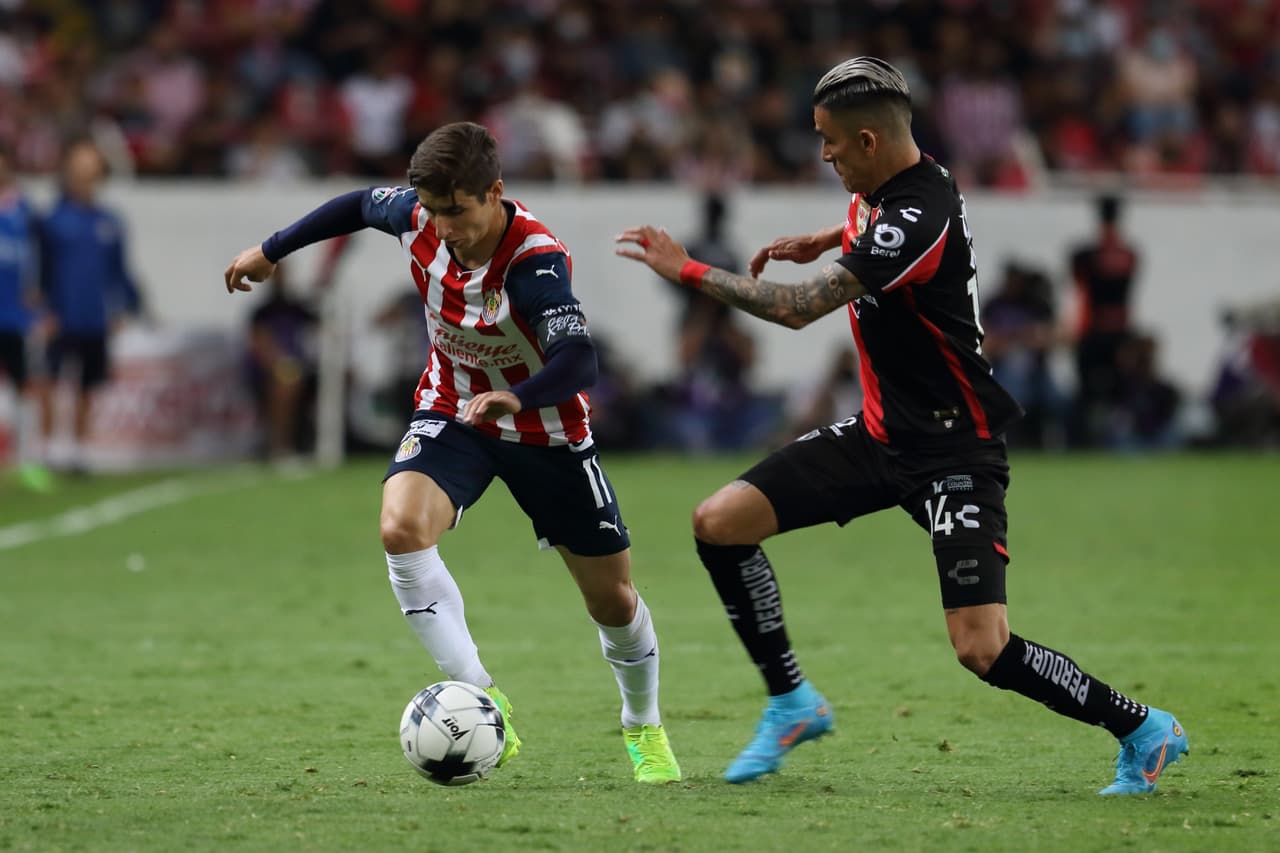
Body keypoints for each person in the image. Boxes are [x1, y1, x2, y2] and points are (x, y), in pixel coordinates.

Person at [616, 57, 1186, 795]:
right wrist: (825, 237)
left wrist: (689, 271)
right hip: (879, 436)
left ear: (867, 143)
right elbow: (881, 224)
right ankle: (792, 700)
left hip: (956, 451)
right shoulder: (905, 182)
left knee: (982, 648)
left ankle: (1142, 727)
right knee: (719, 522)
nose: (822, 155)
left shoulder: (917, 215)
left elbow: (795, 310)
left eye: (828, 141)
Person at [223, 121, 680, 784]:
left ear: (495, 192)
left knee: (612, 599)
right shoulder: (419, 217)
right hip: (452, 410)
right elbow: (355, 205)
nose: (444, 226)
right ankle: (484, 695)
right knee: (399, 526)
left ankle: (644, 726)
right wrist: (271, 250)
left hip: (544, 430)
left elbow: (579, 360)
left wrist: (516, 399)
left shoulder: (535, 261)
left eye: (458, 211)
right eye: (434, 211)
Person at [34, 138, 143, 474]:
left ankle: (79, 449)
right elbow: (39, 270)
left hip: (95, 317)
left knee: (88, 383)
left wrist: (126, 306)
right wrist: (42, 311)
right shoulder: (51, 221)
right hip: (60, 314)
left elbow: (120, 273)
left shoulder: (110, 222)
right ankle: (50, 448)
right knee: (51, 379)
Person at [1069, 194, 1140, 447]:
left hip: (1093, 330)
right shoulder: (1130, 254)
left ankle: (1083, 442)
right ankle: (1117, 440)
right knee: (1120, 392)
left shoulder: (1084, 255)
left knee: (1087, 391)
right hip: (1120, 331)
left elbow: (1078, 284)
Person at [0, 143, 52, 491]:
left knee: (25, 388)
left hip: (16, 317)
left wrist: (41, 302)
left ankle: (27, 460)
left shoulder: (25, 210)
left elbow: (44, 260)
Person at [244, 262, 319, 461]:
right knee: (287, 381)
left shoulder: (297, 307)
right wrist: (278, 362)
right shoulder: (263, 311)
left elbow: (320, 329)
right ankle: (281, 446)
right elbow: (258, 343)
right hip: (272, 370)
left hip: (300, 366)